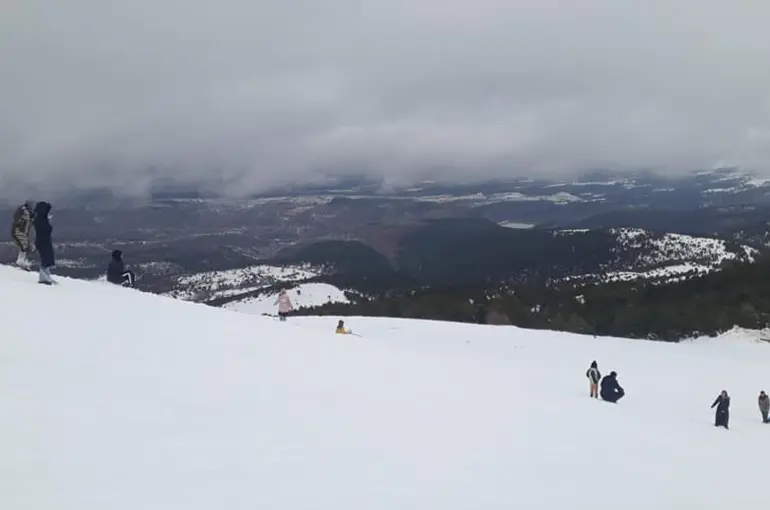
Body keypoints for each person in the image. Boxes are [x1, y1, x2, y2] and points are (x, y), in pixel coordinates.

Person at [33, 201, 55, 285]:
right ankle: (43, 278)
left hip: (43, 242)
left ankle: (47, 277)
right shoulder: (40, 220)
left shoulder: (40, 219)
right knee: (45, 260)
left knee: (47, 259)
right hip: (43, 242)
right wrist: (48, 222)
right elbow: (46, 230)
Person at [10, 200, 35, 270]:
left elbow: (30, 220)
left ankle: (22, 261)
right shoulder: (24, 211)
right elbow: (27, 219)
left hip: (21, 232)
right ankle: (21, 262)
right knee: (24, 247)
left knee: (25, 247)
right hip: (19, 232)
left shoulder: (24, 211)